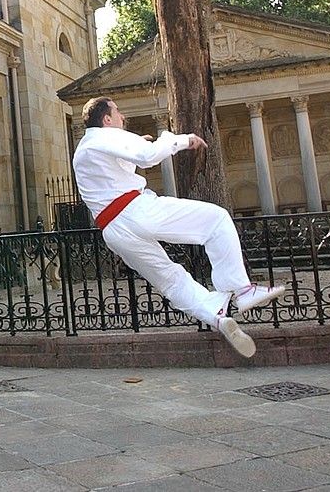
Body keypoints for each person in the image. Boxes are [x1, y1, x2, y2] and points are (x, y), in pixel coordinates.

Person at [72, 98, 284, 358]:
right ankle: (242, 289)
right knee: (216, 220)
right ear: (106, 119)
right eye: (117, 111)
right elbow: (147, 157)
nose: (122, 116)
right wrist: (181, 140)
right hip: (136, 211)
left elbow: (117, 170)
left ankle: (216, 315)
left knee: (171, 280)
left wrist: (140, 143)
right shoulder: (104, 137)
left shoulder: (84, 149)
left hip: (113, 231)